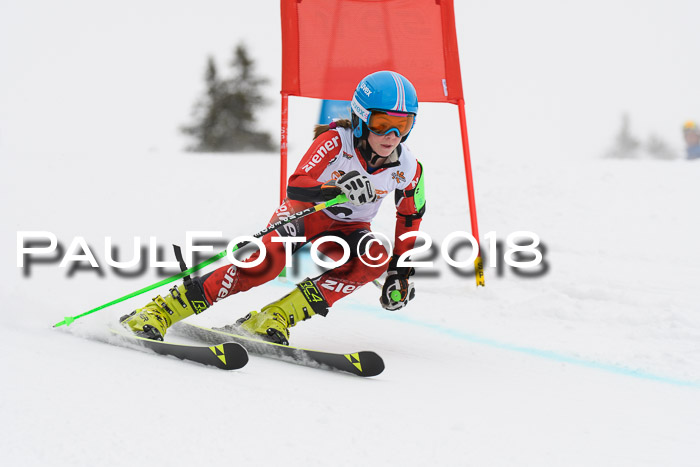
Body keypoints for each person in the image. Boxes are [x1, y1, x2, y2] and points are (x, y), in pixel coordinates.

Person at [120, 70, 426, 345]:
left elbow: (411, 216)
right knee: (264, 265)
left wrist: (400, 272)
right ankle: (161, 310)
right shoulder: (335, 141)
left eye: (402, 125)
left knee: (375, 256)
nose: (392, 136)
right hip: (305, 213)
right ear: (360, 119)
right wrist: (336, 189)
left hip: (349, 230)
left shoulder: (410, 166)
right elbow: (297, 183)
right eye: (382, 124)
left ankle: (273, 318)